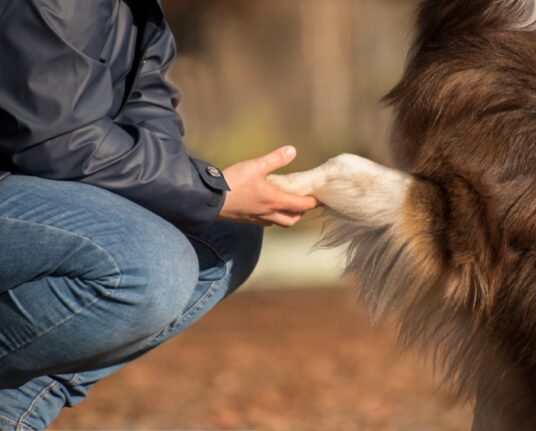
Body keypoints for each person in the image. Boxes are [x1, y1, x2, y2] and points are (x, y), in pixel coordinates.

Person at [0, 0, 318, 428]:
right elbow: (60, 140)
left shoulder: (138, 12)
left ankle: (13, 411)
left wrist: (213, 196)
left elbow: (149, 122)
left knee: (221, 236)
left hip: (26, 182)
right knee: (149, 266)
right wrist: (213, 193)